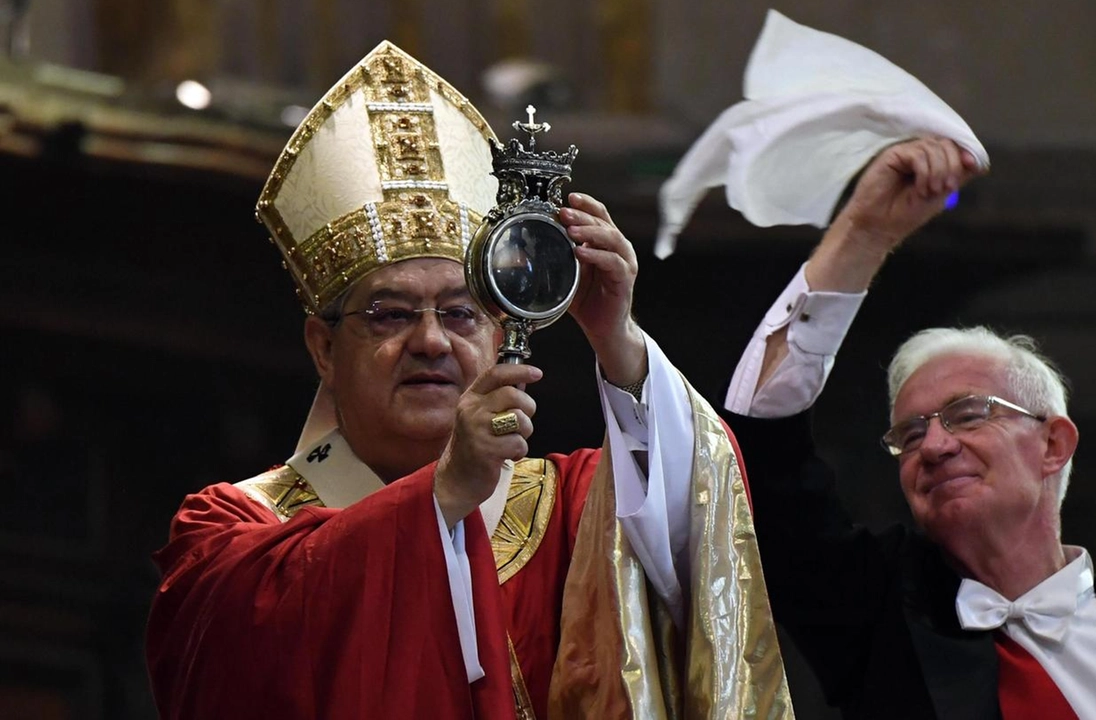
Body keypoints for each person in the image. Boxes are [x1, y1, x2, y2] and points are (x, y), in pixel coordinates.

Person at [146, 42, 791, 720]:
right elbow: (235, 654)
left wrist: (617, 340)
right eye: (389, 314)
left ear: (501, 332)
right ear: (324, 348)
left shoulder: (575, 510)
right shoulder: (231, 528)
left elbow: (704, 534)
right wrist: (444, 493)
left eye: (460, 312)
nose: (429, 340)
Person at [722, 137, 1096, 718]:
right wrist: (863, 233)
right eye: (910, 434)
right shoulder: (873, 611)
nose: (934, 446)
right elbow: (760, 450)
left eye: (968, 414)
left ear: (1053, 444)